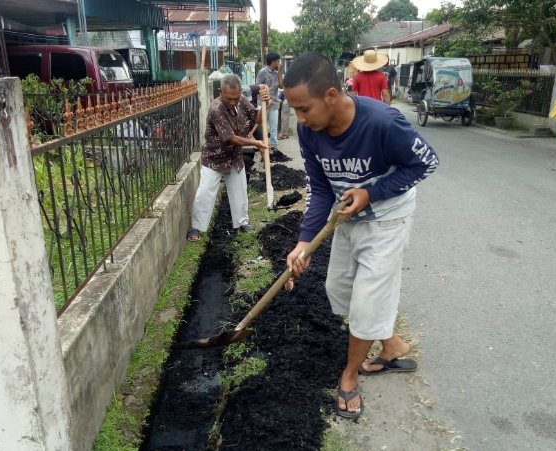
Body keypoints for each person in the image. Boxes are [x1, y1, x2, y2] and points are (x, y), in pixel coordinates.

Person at [282, 53, 438, 419]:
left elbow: (426, 162)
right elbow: (320, 187)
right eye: (295, 111)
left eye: (304, 110)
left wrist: (373, 192)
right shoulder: (310, 131)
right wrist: (304, 243)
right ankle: (392, 346)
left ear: (332, 96)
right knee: (340, 291)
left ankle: (350, 376)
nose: (300, 120)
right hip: (345, 217)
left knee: (368, 302)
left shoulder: (384, 123)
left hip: (386, 218)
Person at [186, 74, 271, 242]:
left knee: (239, 191)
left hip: (234, 158)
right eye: (229, 99)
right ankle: (196, 227)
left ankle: (242, 222)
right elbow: (231, 138)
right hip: (214, 158)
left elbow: (258, 118)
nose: (233, 102)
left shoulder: (242, 101)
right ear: (220, 92)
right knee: (205, 193)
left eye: (236, 98)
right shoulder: (216, 108)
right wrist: (257, 143)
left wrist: (265, 106)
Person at [256, 52, 284, 151]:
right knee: (263, 126)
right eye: (278, 61)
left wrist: (280, 72)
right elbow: (257, 88)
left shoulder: (277, 73)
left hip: (274, 103)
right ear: (273, 62)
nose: (279, 63)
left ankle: (274, 145)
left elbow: (281, 86)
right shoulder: (262, 72)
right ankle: (263, 144)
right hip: (263, 103)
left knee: (273, 126)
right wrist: (267, 99)